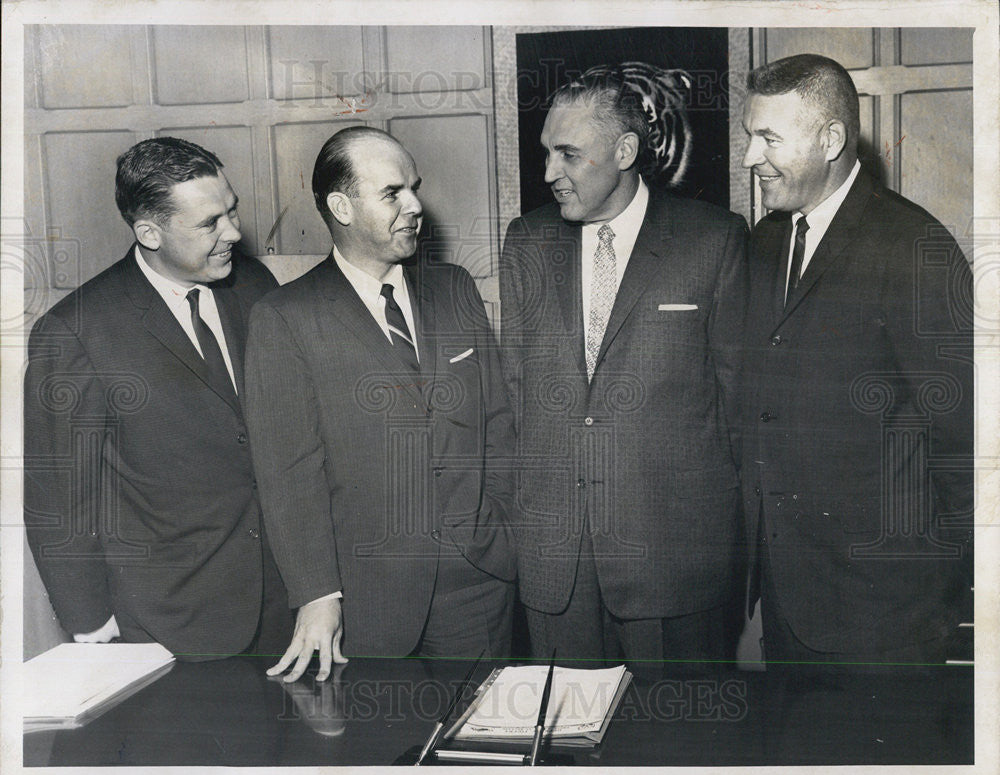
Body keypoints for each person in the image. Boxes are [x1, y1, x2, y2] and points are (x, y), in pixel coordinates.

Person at [499, 64, 750, 669]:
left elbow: (738, 405)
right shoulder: (526, 242)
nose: (549, 173)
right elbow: (515, 391)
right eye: (546, 154)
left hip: (673, 563)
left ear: (626, 150)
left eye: (568, 154)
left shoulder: (713, 239)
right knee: (566, 753)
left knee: (679, 749)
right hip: (557, 571)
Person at [244, 127, 516, 682]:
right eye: (393, 193)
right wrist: (318, 592)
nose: (416, 205)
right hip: (367, 600)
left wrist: (506, 534)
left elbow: (499, 424)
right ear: (342, 207)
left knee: (486, 756)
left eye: (414, 187)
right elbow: (288, 472)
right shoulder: (286, 318)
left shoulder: (455, 287)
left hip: (480, 582)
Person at [740, 54, 973, 665]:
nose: (748, 159)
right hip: (789, 604)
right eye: (748, 137)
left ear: (831, 139)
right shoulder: (766, 241)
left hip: (887, 615)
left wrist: (948, 595)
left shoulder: (915, 247)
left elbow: (966, 443)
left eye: (768, 138)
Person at [24, 137, 292, 659]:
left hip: (282, 607)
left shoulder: (254, 284)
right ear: (149, 232)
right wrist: (90, 624)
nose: (234, 233)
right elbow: (58, 499)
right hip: (167, 623)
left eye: (232, 211)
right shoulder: (77, 330)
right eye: (209, 223)